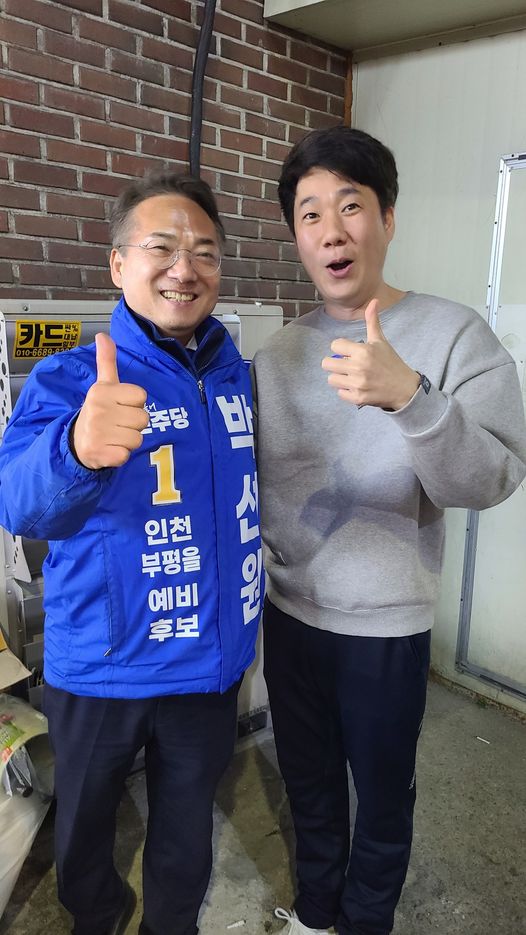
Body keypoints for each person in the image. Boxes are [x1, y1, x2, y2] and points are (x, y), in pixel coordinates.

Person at [251, 126, 526, 935]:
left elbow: (492, 478)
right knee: (308, 783)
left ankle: (365, 921)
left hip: (385, 628)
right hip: (289, 617)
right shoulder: (275, 356)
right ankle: (316, 912)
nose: (331, 230)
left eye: (350, 206)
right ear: (296, 234)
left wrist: (412, 397)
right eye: (310, 214)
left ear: (387, 218)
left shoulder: (454, 334)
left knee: (380, 793)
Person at [0, 172, 263, 935]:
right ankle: (98, 917)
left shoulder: (236, 378)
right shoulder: (71, 376)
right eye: (162, 247)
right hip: (101, 665)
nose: (185, 267)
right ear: (119, 264)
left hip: (205, 663)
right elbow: (17, 502)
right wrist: (77, 448)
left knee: (186, 830)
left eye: (205, 251)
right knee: (84, 828)